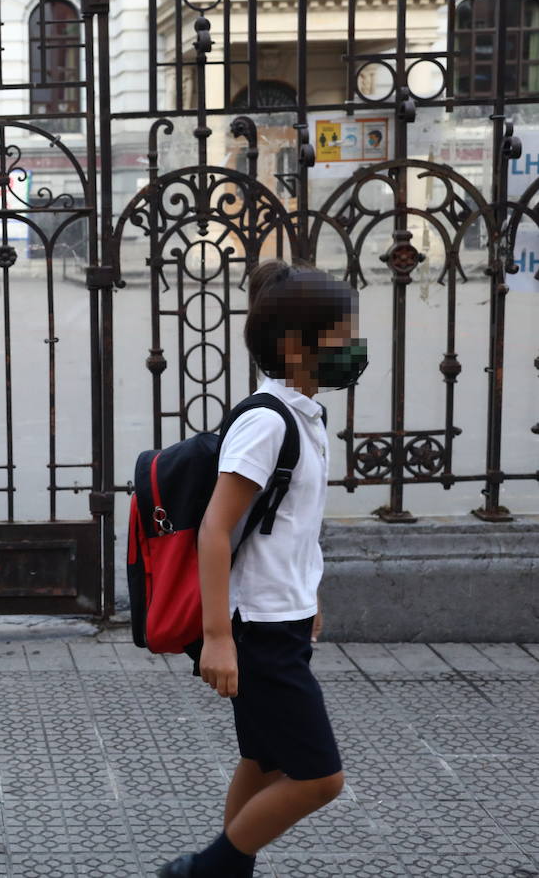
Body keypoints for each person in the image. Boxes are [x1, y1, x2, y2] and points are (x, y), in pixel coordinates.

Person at [160, 260, 367, 878]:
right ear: (295, 346)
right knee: (320, 777)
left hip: (284, 618)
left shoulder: (306, 415)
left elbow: (285, 529)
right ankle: (205, 870)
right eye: (342, 334)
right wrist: (219, 637)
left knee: (266, 763)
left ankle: (226, 872)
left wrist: (307, 595)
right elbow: (215, 530)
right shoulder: (266, 422)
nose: (354, 347)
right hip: (257, 632)